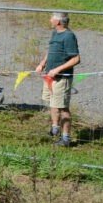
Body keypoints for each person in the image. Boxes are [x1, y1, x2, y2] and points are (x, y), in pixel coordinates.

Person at [35, 11, 80, 147]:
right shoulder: (55, 33)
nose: (50, 20)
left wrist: (58, 69)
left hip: (61, 78)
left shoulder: (69, 36)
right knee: (52, 104)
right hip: (49, 76)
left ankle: (66, 138)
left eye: (52, 18)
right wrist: (42, 63)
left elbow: (76, 59)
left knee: (63, 108)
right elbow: (51, 50)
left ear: (58, 21)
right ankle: (55, 129)